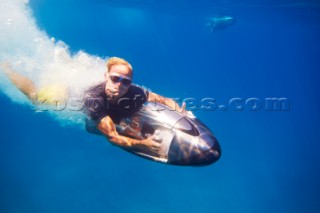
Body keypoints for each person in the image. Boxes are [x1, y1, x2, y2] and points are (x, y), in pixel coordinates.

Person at [0, 57, 190, 152]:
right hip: (66, 95)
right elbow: (113, 137)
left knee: (128, 110)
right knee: (35, 97)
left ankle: (70, 64)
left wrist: (178, 111)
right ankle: (6, 68)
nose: (121, 85)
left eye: (126, 81)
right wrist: (143, 144)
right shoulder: (94, 100)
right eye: (115, 79)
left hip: (108, 107)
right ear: (106, 76)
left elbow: (163, 99)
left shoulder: (135, 91)